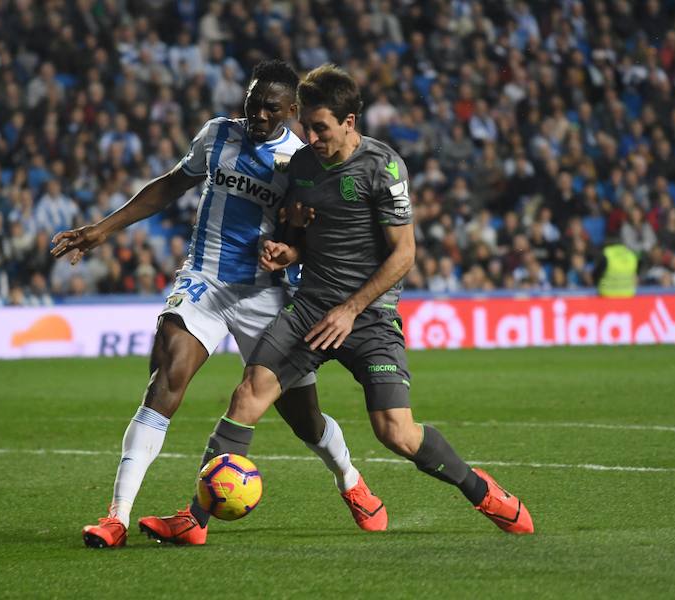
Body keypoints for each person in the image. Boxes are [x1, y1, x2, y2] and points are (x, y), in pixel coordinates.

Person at [148, 64, 533, 540]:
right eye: (306, 126)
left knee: (396, 433)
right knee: (249, 394)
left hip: (368, 317)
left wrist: (351, 309)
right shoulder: (301, 166)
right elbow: (301, 239)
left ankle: (482, 491)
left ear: (350, 122)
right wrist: (286, 251)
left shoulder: (383, 167)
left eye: (321, 128)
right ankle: (194, 518)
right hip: (311, 309)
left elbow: (404, 254)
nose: (310, 137)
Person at [51, 61, 386, 548]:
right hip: (203, 283)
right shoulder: (216, 135)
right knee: (165, 381)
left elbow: (310, 232)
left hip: (265, 295)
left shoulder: (301, 161)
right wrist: (102, 229)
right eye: (252, 102)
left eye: (271, 108)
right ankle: (117, 516)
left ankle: (350, 481)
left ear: (293, 111)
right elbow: (170, 184)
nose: (258, 114)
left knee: (304, 418)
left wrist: (290, 249)